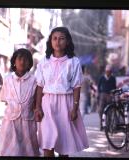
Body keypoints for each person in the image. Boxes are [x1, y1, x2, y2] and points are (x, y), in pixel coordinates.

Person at [34, 26, 89, 157]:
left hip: (66, 104)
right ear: (50, 42)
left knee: (64, 147)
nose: (57, 41)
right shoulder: (44, 62)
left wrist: (75, 108)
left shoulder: (73, 62)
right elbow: (40, 86)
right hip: (47, 104)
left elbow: (76, 86)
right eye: (54, 38)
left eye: (61, 38)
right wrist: (37, 107)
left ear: (68, 41)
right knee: (48, 145)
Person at [0, 48, 39, 156]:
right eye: (20, 59)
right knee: (10, 151)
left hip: (28, 121)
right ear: (14, 62)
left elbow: (36, 100)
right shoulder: (7, 79)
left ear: (29, 63)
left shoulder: (34, 80)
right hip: (10, 121)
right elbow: (5, 99)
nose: (22, 62)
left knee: (28, 150)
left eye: (26, 60)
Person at [98, 64, 116, 131]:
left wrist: (112, 93)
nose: (108, 73)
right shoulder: (102, 78)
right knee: (101, 111)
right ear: (105, 71)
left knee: (110, 111)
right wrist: (99, 94)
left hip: (110, 95)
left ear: (111, 72)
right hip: (103, 94)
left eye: (109, 71)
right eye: (107, 71)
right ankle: (102, 125)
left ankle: (108, 126)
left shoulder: (112, 78)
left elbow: (114, 87)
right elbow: (99, 86)